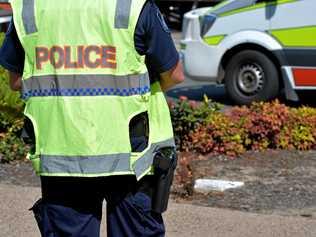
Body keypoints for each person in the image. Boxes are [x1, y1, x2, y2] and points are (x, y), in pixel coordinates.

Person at [0, 0, 184, 236]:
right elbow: (175, 74)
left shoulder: (30, 8)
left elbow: (16, 81)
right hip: (130, 152)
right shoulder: (132, 6)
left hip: (63, 155)